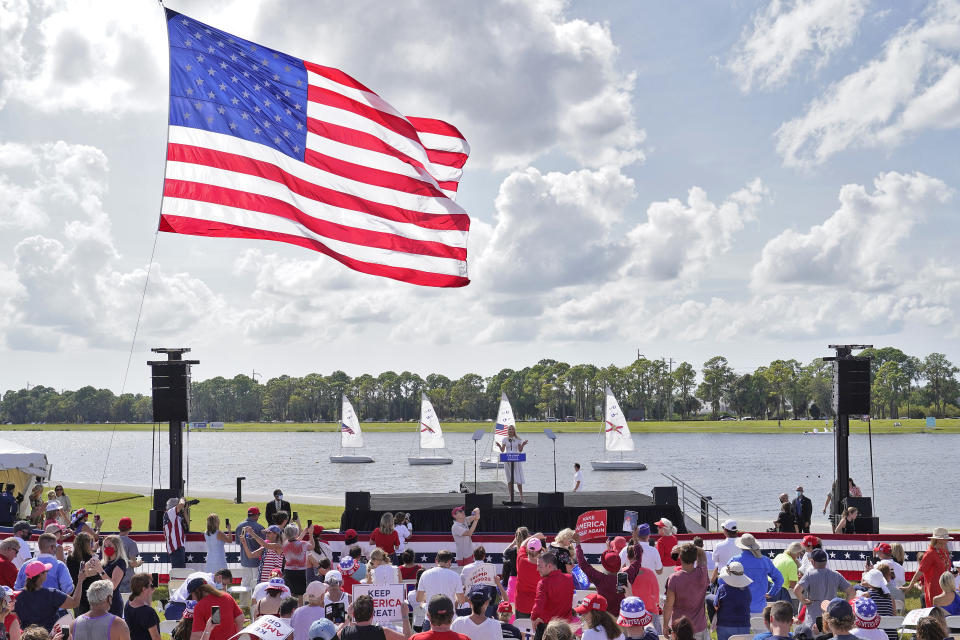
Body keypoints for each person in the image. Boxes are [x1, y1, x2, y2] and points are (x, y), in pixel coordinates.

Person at [575, 532, 642, 616]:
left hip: (605, 620)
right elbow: (638, 560)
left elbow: (583, 564)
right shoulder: (625, 576)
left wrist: (578, 544)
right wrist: (636, 541)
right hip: (623, 619)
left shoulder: (600, 579)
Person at [15, 559, 93, 631]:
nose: (47, 573)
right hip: (48, 636)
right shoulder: (51, 594)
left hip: (27, 636)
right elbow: (75, 603)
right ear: (41, 575)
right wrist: (80, 580)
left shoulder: (17, 596)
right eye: (46, 571)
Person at [793, 549, 855, 630]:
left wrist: (803, 600)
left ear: (812, 562)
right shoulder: (836, 574)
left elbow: (796, 590)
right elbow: (852, 592)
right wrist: (842, 606)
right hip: (831, 616)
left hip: (813, 617)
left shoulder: (809, 574)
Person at [662, 544, 710, 640]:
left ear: (680, 557)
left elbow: (668, 605)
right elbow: (702, 554)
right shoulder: (702, 573)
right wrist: (691, 548)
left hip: (680, 628)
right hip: (700, 626)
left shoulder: (674, 578)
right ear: (695, 558)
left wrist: (665, 625)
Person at [729, 534, 783, 615]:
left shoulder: (734, 560)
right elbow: (779, 579)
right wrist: (771, 593)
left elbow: (722, 580)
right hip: (760, 608)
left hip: (739, 608)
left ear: (741, 547)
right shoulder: (765, 560)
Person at [902, 528, 953, 607]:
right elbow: (920, 571)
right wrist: (910, 585)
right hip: (935, 589)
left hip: (947, 588)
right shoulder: (930, 554)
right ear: (936, 540)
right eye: (942, 541)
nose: (945, 543)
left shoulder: (944, 551)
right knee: (936, 612)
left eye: (946, 541)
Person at [530, 552, 574, 640]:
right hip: (566, 628)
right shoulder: (569, 579)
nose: (537, 569)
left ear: (549, 566)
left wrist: (534, 618)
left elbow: (538, 607)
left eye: (540, 566)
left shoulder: (543, 583)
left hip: (548, 629)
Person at [417, 550, 464, 624]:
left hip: (431, 618)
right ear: (449, 561)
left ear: (436, 561)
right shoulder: (455, 576)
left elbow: (419, 598)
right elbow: (461, 600)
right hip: (450, 619)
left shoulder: (425, 574)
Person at [340, 593, 410, 640]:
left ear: (354, 614)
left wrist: (349, 616)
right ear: (372, 615)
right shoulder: (382, 632)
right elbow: (407, 638)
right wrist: (405, 616)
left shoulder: (345, 632)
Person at [711, 562, 753, 640]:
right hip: (744, 625)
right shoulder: (747, 590)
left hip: (725, 625)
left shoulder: (722, 589)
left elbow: (716, 605)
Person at [460, 547, 505, 616]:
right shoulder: (491, 568)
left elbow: (462, 583)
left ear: (473, 556)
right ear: (484, 556)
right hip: (485, 601)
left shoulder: (466, 568)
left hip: (470, 600)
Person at [66, 532, 99, 614]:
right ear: (88, 544)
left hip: (77, 594)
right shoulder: (91, 559)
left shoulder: (70, 558)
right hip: (91, 596)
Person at [859, 569, 896, 640]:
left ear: (869, 582)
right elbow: (894, 616)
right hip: (891, 635)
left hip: (873, 635)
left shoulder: (866, 596)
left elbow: (859, 615)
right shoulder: (890, 597)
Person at [496, 426, 528, 502]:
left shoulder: (518, 440)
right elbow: (503, 450)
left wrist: (523, 445)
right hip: (507, 461)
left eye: (512, 429)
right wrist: (499, 446)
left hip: (516, 460)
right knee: (509, 479)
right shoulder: (505, 439)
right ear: (508, 431)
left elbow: (520, 450)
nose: (511, 430)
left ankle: (521, 497)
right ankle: (510, 497)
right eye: (509, 429)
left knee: (518, 478)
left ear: (514, 431)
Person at [235, 506, 265, 587]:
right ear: (256, 515)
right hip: (256, 560)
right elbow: (264, 545)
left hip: (245, 559)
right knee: (256, 581)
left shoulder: (239, 526)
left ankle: (243, 599)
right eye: (258, 515)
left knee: (245, 581)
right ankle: (255, 599)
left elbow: (238, 542)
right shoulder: (260, 527)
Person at [124, 573, 160, 640]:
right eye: (151, 585)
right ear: (143, 589)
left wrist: (149, 593)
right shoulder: (149, 612)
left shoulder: (128, 604)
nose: (152, 586)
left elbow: (146, 605)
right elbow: (156, 638)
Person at [99, 535, 128, 617]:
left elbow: (113, 585)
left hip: (113, 603)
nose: (106, 548)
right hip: (100, 602)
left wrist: (100, 571)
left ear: (117, 547)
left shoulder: (120, 562)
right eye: (104, 546)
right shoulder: (104, 563)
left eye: (109, 546)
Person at [515, 537, 542, 620]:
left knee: (521, 631)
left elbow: (522, 544)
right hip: (538, 606)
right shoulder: (544, 567)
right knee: (537, 632)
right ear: (540, 551)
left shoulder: (521, 560)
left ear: (527, 550)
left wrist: (536, 535)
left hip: (521, 604)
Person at [501, 527, 530, 598]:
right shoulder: (530, 552)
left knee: (512, 606)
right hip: (526, 581)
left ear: (516, 537)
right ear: (528, 536)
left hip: (513, 581)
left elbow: (504, 553)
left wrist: (513, 543)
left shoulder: (511, 552)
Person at [116, 518, 143, 594]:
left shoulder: (111, 540)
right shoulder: (131, 543)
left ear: (118, 528)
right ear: (130, 528)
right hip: (126, 579)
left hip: (113, 577)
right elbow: (133, 563)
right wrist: (139, 563)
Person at [163, 498, 188, 569]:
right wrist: (182, 499)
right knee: (179, 573)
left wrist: (185, 510)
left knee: (179, 572)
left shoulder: (175, 517)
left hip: (178, 548)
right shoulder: (170, 513)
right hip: (176, 548)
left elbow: (187, 524)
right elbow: (181, 504)